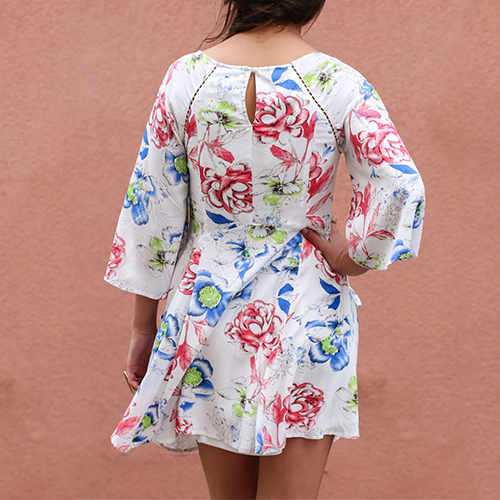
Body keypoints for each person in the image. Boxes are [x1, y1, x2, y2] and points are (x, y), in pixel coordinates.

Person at [104, 1, 425, 498]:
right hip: (308, 311)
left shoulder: (187, 79)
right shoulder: (337, 83)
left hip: (210, 311)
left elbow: (152, 211)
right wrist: (351, 256)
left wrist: (143, 328)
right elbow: (401, 184)